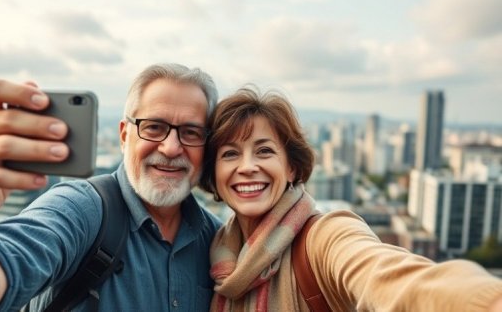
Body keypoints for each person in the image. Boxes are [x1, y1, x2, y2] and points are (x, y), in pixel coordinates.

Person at [0, 63, 222, 311]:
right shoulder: (84, 209)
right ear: (125, 134)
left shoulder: (218, 239)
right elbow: (10, 257)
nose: (170, 147)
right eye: (154, 127)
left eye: (191, 133)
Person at [198, 87, 502, 312]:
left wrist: (486, 302)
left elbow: (386, 276)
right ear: (214, 172)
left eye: (265, 151)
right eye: (230, 154)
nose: (248, 166)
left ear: (291, 167)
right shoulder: (216, 249)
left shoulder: (323, 237)